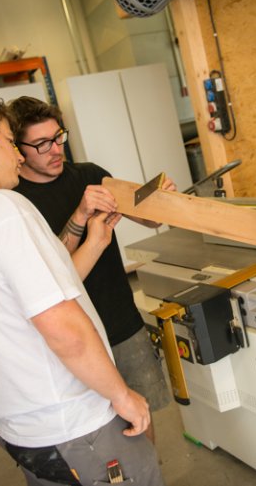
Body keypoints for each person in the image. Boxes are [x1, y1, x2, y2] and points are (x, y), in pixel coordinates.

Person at [0, 92, 165, 486]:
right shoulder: (2, 210)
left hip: (16, 426)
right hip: (73, 424)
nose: (17, 154)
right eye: (7, 140)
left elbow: (25, 300)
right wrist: (120, 394)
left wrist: (96, 240)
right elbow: (62, 328)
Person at [9, 96, 173, 443]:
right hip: (73, 337)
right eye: (41, 144)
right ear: (19, 150)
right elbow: (47, 273)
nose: (55, 150)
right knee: (98, 436)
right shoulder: (16, 202)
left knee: (142, 421)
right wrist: (80, 216)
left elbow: (146, 217)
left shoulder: (90, 175)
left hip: (122, 322)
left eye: (59, 137)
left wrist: (162, 200)